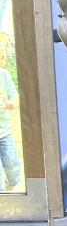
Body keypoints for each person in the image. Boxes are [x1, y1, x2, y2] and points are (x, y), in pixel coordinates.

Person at [0, 35, 21, 192]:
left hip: (4, 132)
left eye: (2, 55)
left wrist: (12, 103)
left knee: (13, 168)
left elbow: (15, 96)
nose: (3, 58)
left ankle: (9, 189)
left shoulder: (4, 75)